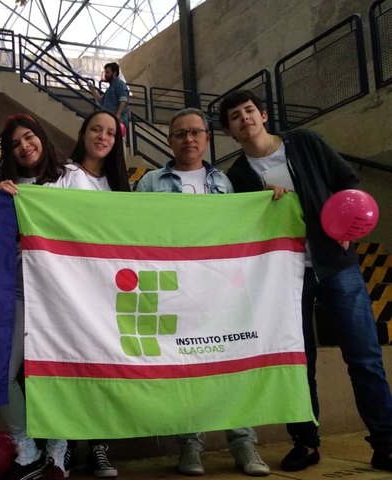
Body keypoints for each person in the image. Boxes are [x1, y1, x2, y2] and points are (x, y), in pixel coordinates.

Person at [220, 89, 392, 473]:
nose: (244, 118)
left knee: (364, 356)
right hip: (284, 276)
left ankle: (386, 442)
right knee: (298, 362)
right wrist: (260, 201)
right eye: (235, 116)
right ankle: (306, 441)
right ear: (229, 131)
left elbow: (348, 182)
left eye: (249, 110)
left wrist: (348, 229)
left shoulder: (304, 142)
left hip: (336, 265)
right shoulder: (238, 176)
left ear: (263, 115)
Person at [135, 108, 270, 477]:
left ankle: (244, 443)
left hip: (221, 289)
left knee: (231, 364)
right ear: (169, 140)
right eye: (180, 133)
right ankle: (190, 444)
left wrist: (271, 201)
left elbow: (243, 228)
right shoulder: (150, 183)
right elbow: (136, 231)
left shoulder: (225, 182)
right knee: (185, 368)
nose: (189, 139)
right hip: (174, 290)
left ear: (207, 138)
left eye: (195, 132)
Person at [0, 113, 91, 480]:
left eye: (29, 137)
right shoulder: (7, 185)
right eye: (15, 144)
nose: (24, 146)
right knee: (2, 373)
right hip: (21, 286)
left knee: (57, 372)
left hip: (63, 290)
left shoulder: (71, 176)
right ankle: (27, 447)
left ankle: (57, 450)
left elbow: (91, 223)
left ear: (42, 137)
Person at [61, 110, 128, 478]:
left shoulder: (120, 185)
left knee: (105, 367)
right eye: (96, 130)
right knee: (73, 365)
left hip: (109, 289)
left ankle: (101, 446)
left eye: (110, 133)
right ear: (83, 133)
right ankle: (71, 442)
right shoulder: (64, 174)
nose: (103, 137)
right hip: (71, 288)